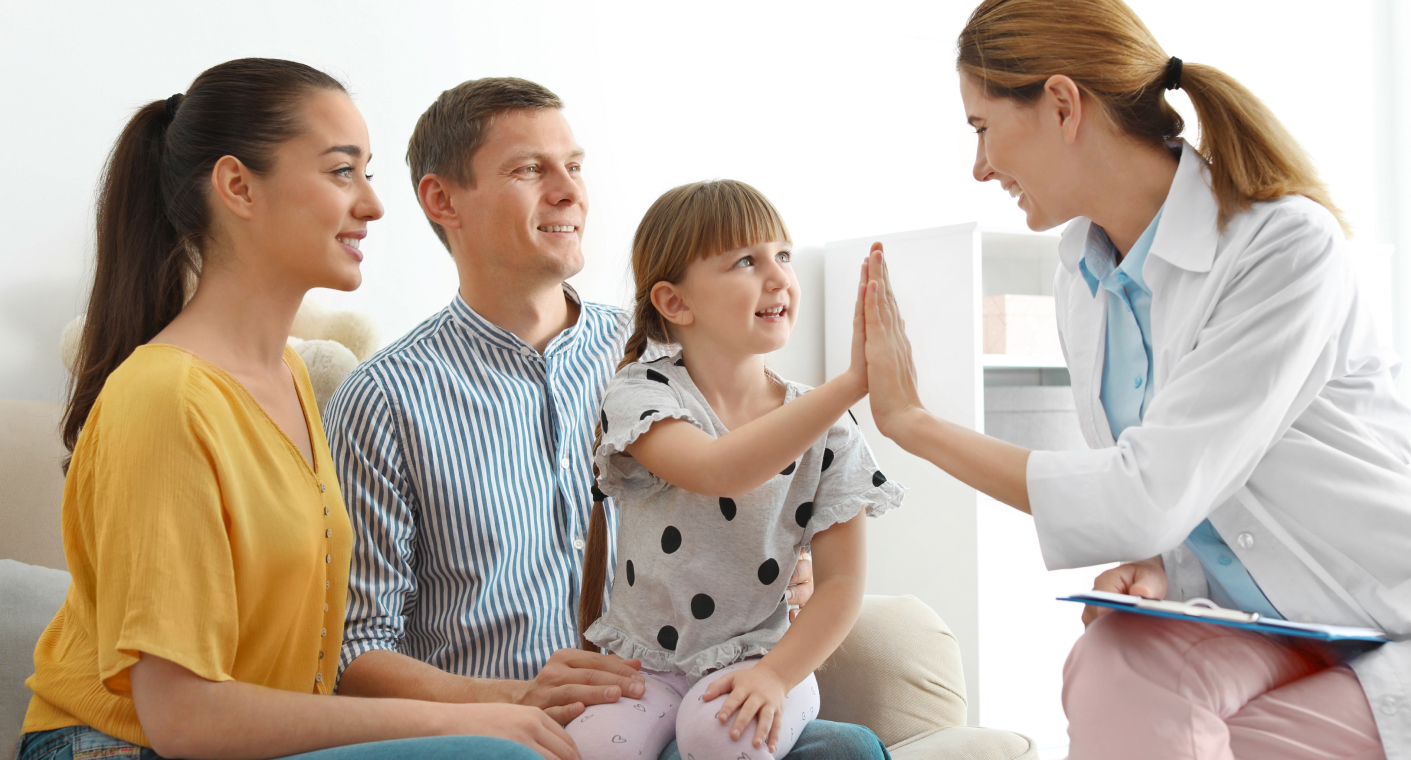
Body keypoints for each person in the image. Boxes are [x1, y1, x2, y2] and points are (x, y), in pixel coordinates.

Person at [856, 1, 1411, 759]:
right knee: (1112, 664)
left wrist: (912, 423)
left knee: (1243, 744)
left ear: (1063, 104)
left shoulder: (1283, 246)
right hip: (1284, 622)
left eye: (981, 127)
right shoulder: (1081, 276)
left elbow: (1145, 494)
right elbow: (1193, 493)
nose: (979, 165)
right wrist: (1165, 568)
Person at [19, 58, 576, 760]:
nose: (372, 205)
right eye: (342, 172)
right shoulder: (163, 398)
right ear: (237, 187)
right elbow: (183, 718)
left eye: (368, 174)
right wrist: (457, 724)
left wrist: (512, 698)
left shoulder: (286, 375)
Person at [325, 78, 891, 760]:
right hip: (514, 736)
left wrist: (780, 564)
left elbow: (766, 502)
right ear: (444, 201)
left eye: (575, 166)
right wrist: (517, 697)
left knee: (846, 749)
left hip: (694, 696)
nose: (569, 191)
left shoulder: (663, 350)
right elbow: (355, 655)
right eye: (531, 169)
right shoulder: (383, 398)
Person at [566, 180, 902, 760]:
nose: (778, 277)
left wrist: (776, 676)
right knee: (592, 746)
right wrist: (848, 385)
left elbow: (842, 584)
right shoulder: (642, 394)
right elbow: (719, 469)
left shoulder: (833, 429)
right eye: (746, 260)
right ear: (675, 302)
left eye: (784, 256)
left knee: (718, 733)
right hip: (647, 661)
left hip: (766, 659)